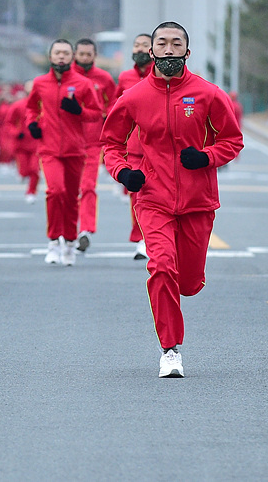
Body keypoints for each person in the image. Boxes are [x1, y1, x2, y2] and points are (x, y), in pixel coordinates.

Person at [101, 22, 243, 378]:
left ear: (186, 52)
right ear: (151, 52)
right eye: (161, 43)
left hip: (198, 201)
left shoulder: (209, 94)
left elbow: (232, 140)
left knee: (189, 282)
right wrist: (123, 173)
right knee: (162, 266)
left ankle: (187, 284)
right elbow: (111, 144)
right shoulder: (133, 98)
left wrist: (206, 157)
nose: (168, 49)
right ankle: (170, 350)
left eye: (175, 43)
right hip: (152, 198)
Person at [26, 39, 103, 267]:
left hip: (75, 149)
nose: (61, 56)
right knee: (55, 191)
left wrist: (79, 111)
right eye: (57, 53)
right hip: (49, 149)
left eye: (65, 53)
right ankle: (52, 242)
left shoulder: (82, 84)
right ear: (50, 57)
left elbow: (96, 113)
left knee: (71, 197)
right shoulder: (40, 83)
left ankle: (69, 243)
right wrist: (32, 123)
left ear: (72, 57)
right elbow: (31, 108)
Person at [72, 38, 117, 252]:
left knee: (88, 186)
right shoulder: (64, 78)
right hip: (67, 143)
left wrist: (108, 118)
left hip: (92, 143)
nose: (85, 58)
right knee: (64, 190)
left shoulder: (104, 79)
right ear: (75, 55)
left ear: (95, 55)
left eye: (89, 54)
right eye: (81, 54)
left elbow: (114, 104)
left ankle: (86, 230)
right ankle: (64, 232)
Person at [113, 33, 154, 260]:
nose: (139, 49)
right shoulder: (125, 77)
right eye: (136, 45)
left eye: (144, 45)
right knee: (136, 196)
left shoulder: (160, 76)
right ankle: (141, 240)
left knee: (159, 195)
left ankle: (157, 237)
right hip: (134, 148)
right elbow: (116, 109)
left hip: (159, 148)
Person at [6, 84, 40, 203]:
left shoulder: (41, 106)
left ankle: (31, 192)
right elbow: (9, 123)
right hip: (21, 145)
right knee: (25, 171)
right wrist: (17, 133)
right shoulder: (18, 106)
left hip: (37, 145)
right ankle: (22, 175)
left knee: (34, 170)